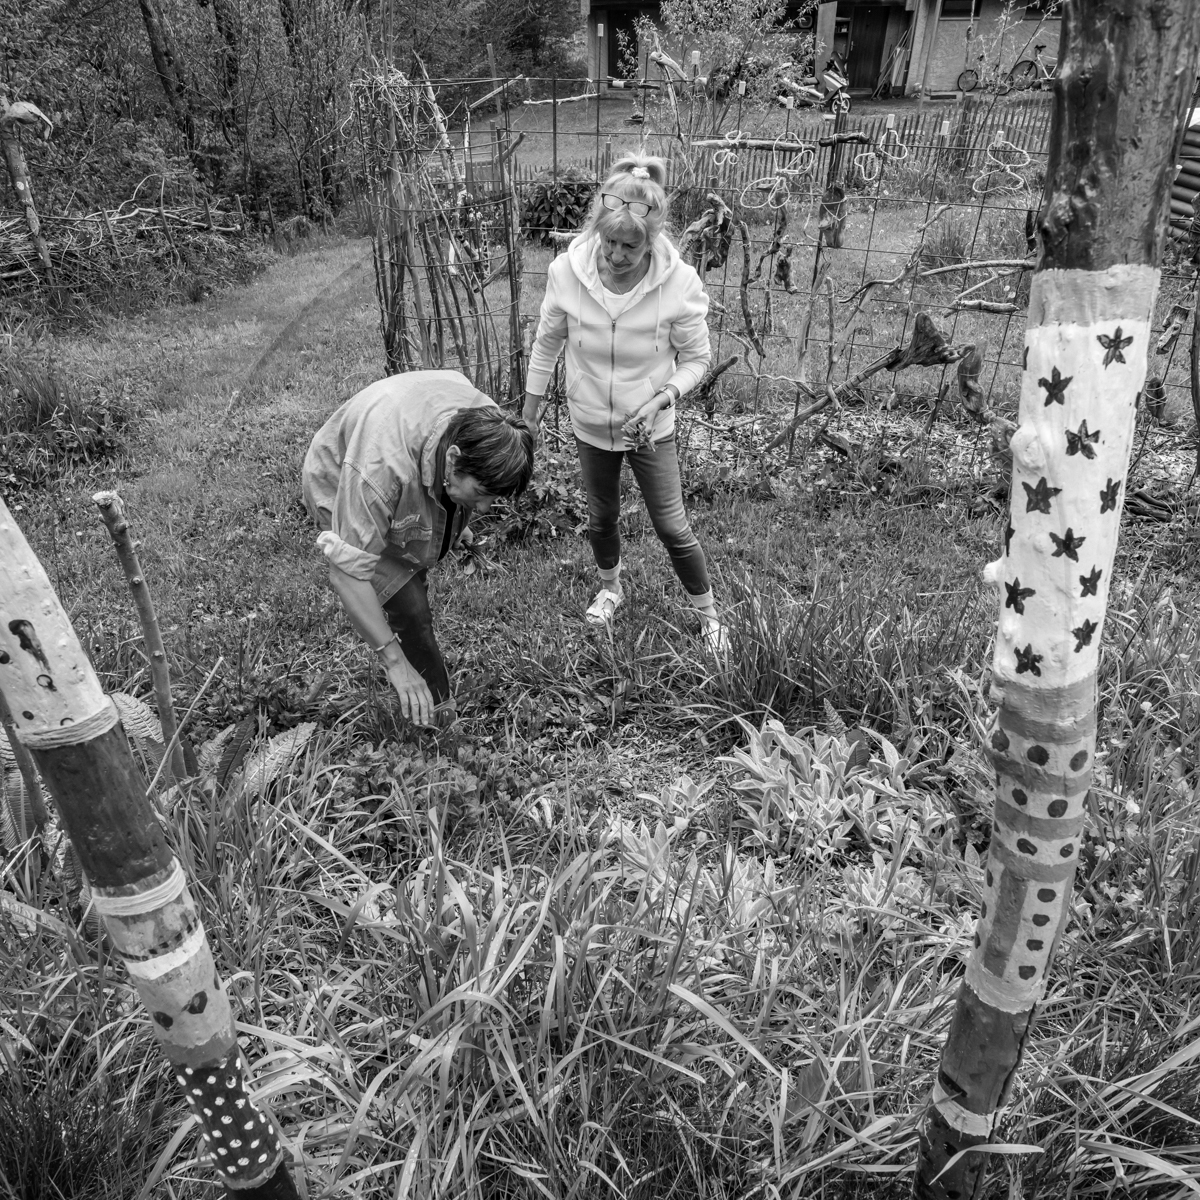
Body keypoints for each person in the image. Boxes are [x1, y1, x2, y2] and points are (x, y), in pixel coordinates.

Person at [521, 154, 723, 650]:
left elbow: (698, 359)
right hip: (590, 422)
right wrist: (529, 412)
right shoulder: (567, 272)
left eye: (630, 246)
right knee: (601, 517)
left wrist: (663, 398)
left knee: (672, 525)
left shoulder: (679, 285)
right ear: (597, 229)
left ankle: (711, 616)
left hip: (649, 427)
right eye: (608, 241)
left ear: (652, 239)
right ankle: (610, 588)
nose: (615, 255)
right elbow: (547, 344)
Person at [303, 370, 533, 726]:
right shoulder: (378, 474)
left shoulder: (490, 427)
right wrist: (394, 661)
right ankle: (438, 716)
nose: (485, 509)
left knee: (413, 569)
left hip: (409, 451)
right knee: (411, 610)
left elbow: (451, 485)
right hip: (342, 476)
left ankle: (427, 691)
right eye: (482, 496)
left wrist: (458, 523)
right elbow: (346, 573)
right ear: (454, 458)